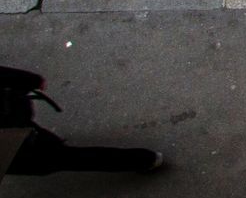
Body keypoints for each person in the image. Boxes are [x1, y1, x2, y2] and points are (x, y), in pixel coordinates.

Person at [1, 65, 164, 179]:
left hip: (11, 138)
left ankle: (143, 159)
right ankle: (144, 159)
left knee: (63, 158)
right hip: (11, 111)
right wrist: (28, 80)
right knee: (55, 153)